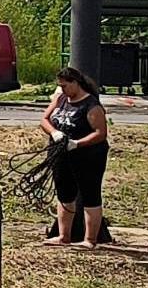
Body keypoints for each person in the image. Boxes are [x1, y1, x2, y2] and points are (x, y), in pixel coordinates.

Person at [40, 67, 111, 247]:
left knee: (90, 194)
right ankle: (64, 236)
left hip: (88, 157)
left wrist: (77, 143)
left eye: (64, 86)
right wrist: (54, 132)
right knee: (64, 194)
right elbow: (45, 119)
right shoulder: (61, 99)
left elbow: (100, 133)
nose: (62, 89)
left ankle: (90, 239)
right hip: (61, 155)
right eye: (60, 86)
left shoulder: (91, 105)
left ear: (75, 83)